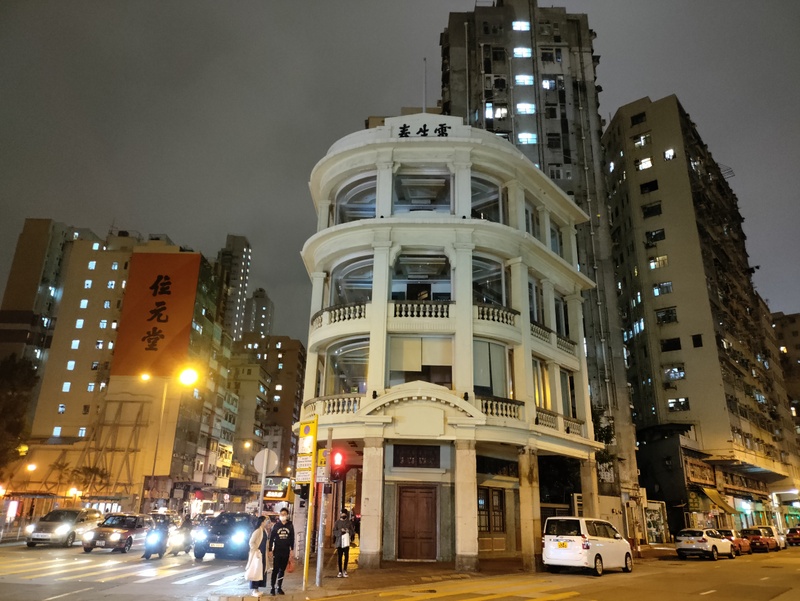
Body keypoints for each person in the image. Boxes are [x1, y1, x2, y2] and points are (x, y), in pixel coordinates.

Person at [268, 507, 294, 596]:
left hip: (286, 551)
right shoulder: (276, 526)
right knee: (275, 570)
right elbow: (271, 538)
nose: (283, 516)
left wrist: (292, 549)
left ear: (287, 515)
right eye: (281, 514)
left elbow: (292, 538)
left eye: (284, 514)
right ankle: (272, 587)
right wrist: (270, 550)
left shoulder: (290, 525)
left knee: (282, 570)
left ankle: (279, 587)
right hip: (277, 551)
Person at [247, 516, 270, 597]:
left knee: (261, 571)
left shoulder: (264, 531)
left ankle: (257, 589)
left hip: (263, 554)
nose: (267, 522)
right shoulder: (257, 531)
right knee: (256, 571)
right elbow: (251, 542)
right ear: (262, 522)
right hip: (257, 555)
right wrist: (256, 550)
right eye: (266, 520)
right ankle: (254, 590)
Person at [332, 510, 355, 578]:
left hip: (346, 542)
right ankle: (340, 571)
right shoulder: (337, 522)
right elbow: (334, 531)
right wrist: (340, 531)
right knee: (339, 557)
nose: (343, 515)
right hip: (339, 542)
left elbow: (352, 531)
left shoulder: (349, 522)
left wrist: (348, 531)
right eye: (342, 514)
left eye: (344, 514)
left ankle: (345, 570)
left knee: (346, 556)